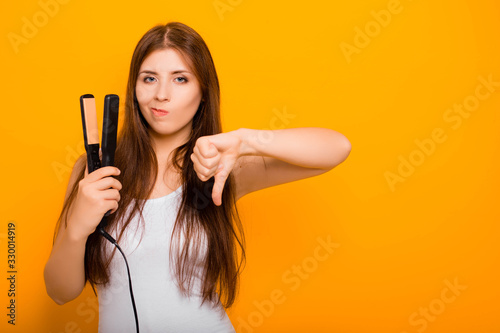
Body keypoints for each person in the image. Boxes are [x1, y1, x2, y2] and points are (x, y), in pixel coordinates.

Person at [43, 21, 352, 332]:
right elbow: (60, 292)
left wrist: (246, 141)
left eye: (180, 79)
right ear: (133, 89)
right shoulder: (94, 172)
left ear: (203, 92)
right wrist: (76, 228)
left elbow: (337, 147)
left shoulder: (221, 167)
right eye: (149, 79)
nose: (161, 95)